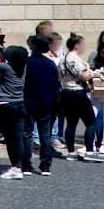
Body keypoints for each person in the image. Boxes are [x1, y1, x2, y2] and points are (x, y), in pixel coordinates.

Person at [58, 34, 101, 160]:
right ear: (76, 45)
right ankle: (89, 151)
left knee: (71, 123)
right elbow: (84, 76)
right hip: (77, 92)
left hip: (66, 91)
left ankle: (71, 152)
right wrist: (92, 70)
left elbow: (59, 76)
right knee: (90, 122)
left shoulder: (62, 58)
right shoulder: (75, 59)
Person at [0, 41, 29, 178]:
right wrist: (3, 49)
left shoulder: (6, 68)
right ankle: (20, 166)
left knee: (9, 138)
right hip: (19, 104)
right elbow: (15, 55)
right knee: (18, 137)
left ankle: (15, 167)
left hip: (5, 105)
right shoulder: (23, 67)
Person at [23, 33, 61, 175]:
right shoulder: (50, 64)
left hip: (29, 101)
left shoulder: (28, 63)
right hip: (46, 102)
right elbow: (55, 86)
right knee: (45, 133)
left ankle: (26, 164)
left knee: (27, 133)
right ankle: (45, 165)